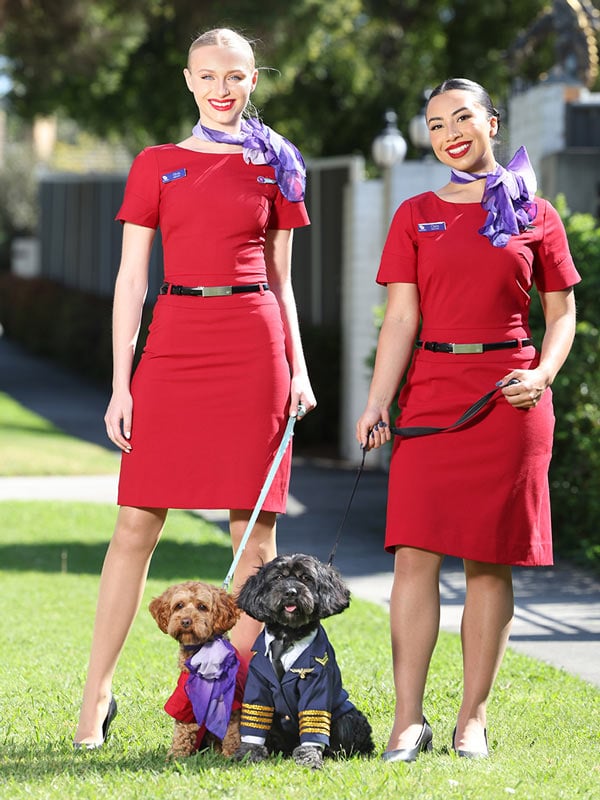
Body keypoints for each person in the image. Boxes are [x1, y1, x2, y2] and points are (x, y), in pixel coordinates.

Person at [74, 27, 316, 749]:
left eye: (235, 76)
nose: (221, 88)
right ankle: (96, 695)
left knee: (255, 537)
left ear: (253, 80)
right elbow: (130, 280)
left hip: (255, 346)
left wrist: (299, 368)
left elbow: (283, 281)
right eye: (208, 75)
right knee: (134, 524)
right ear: (188, 80)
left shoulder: (277, 165)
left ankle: (233, 709)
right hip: (174, 343)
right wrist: (120, 383)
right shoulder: (156, 163)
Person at [356, 77, 580, 762]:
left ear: (491, 122)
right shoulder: (414, 212)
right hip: (430, 394)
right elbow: (401, 317)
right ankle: (407, 721)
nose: (449, 133)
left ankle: (472, 720)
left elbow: (562, 314)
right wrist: (377, 401)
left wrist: (542, 375)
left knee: (488, 562)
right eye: (435, 124)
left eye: (461, 118)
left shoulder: (536, 212)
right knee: (413, 556)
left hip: (510, 398)